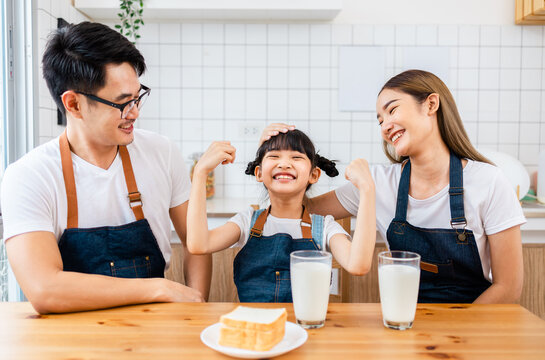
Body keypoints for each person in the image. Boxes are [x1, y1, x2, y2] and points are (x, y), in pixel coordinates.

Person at [261, 70, 526, 304]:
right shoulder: (377, 183)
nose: (385, 126)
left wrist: (457, 334)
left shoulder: (489, 181)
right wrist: (271, 157)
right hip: (404, 320)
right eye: (379, 120)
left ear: (431, 104)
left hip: (475, 328)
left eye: (392, 110)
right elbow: (295, 208)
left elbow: (509, 286)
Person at [0, 22, 211, 314]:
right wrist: (159, 288)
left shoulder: (160, 152)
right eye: (123, 103)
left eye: (138, 97)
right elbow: (45, 289)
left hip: (155, 328)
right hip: (68, 339)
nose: (135, 112)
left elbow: (196, 243)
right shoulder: (28, 176)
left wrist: (196, 306)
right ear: (73, 104)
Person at [187, 130, 376, 302]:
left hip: (308, 329)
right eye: (274, 156)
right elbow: (199, 244)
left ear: (314, 175)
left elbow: (358, 265)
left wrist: (367, 190)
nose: (284, 163)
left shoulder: (325, 227)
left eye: (296, 157)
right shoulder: (246, 221)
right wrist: (200, 172)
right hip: (256, 329)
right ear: (259, 173)